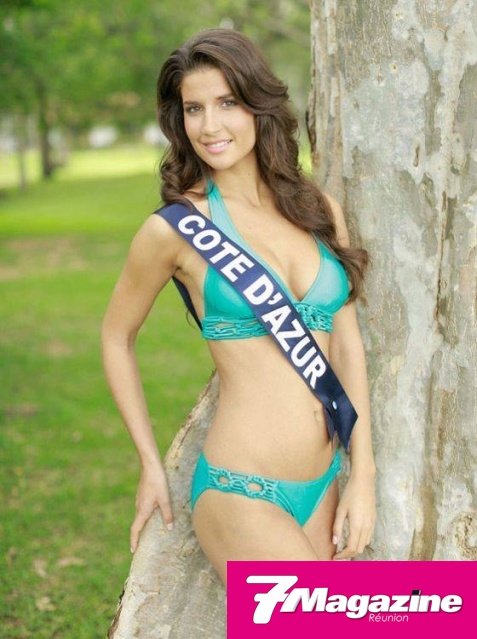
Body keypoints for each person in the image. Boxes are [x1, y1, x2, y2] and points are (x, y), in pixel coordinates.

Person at [101, 28, 375, 585]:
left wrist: (363, 473)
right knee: (347, 620)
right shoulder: (176, 228)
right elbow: (115, 336)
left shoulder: (318, 210)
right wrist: (150, 463)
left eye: (227, 102)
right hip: (242, 490)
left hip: (324, 484)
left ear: (257, 104)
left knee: (403, 613)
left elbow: (346, 345)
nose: (210, 126)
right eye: (194, 109)